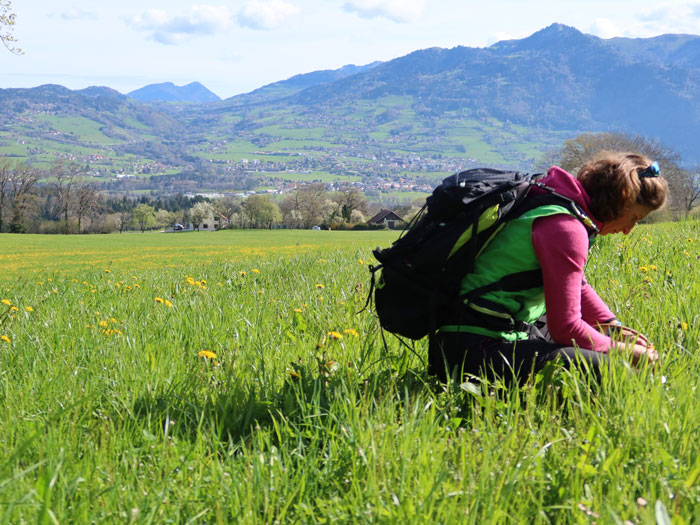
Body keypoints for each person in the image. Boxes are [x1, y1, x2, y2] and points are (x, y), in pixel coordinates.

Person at [427, 151, 668, 383]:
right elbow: (566, 327)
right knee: (622, 373)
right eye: (634, 218)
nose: (628, 230)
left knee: (593, 348)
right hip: (476, 350)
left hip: (462, 339)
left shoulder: (553, 200)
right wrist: (623, 350)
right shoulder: (566, 228)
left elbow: (575, 284)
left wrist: (611, 327)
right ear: (622, 197)